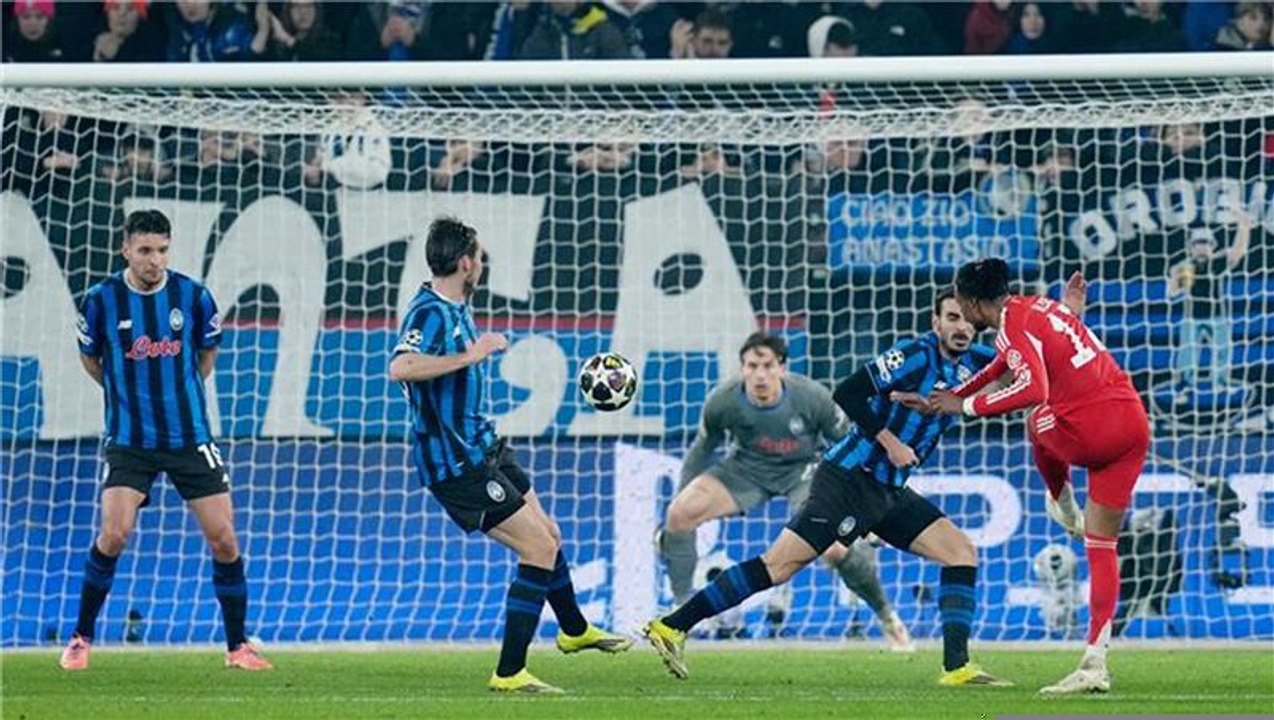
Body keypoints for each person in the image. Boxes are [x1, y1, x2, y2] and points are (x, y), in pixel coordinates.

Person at [643, 287, 1088, 686]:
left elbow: (1034, 375)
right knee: (778, 567)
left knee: (959, 551)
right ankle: (673, 625)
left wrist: (1067, 319)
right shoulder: (913, 355)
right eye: (951, 318)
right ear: (935, 322)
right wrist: (891, 442)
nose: (961, 327)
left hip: (888, 490)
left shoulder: (977, 363)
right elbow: (849, 392)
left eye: (966, 319)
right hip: (849, 479)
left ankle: (957, 668)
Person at [389, 217, 631, 694]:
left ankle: (574, 629)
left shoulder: (456, 306)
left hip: (485, 447)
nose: (482, 264)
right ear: (465, 263)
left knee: (550, 535)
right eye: (479, 257)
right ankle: (509, 672)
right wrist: (471, 356)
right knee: (536, 548)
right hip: (456, 464)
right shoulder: (429, 312)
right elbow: (401, 367)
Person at [926, 258, 1148, 695]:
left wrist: (966, 406)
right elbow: (1004, 364)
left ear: (972, 302)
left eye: (961, 302)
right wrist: (955, 394)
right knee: (1102, 546)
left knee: (1037, 418)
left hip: (1091, 429)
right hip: (1132, 423)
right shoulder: (1041, 307)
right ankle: (1095, 664)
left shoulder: (1012, 326)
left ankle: (1061, 501)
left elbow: (1032, 388)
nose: (962, 313)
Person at [62, 209, 272, 671]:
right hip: (129, 439)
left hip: (189, 437)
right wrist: (125, 395)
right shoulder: (100, 301)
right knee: (114, 534)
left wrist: (179, 395)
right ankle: (80, 638)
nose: (154, 260)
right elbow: (91, 360)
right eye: (144, 250)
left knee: (224, 540)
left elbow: (206, 355)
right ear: (126, 250)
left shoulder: (193, 297)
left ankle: (237, 647)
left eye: (161, 250)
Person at [658, 332, 914, 651]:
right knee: (680, 513)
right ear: (742, 368)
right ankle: (680, 614)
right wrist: (680, 493)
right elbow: (702, 449)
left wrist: (870, 505)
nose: (759, 375)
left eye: (767, 366)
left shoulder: (811, 396)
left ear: (782, 368)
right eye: (752, 366)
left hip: (804, 473)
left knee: (834, 549)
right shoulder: (723, 400)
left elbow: (850, 444)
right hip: (746, 470)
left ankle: (887, 616)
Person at [1167, 212, 1252, 392]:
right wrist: (1177, 278)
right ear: (1191, 247)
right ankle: (1184, 384)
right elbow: (1172, 293)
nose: (1202, 247)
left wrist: (1243, 227)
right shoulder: (1185, 267)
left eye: (1206, 243)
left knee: (1223, 349)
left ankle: (1221, 381)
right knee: (1187, 353)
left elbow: (1238, 251)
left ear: (1212, 246)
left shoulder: (1217, 262)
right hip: (1192, 317)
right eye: (1198, 243)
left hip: (1217, 316)